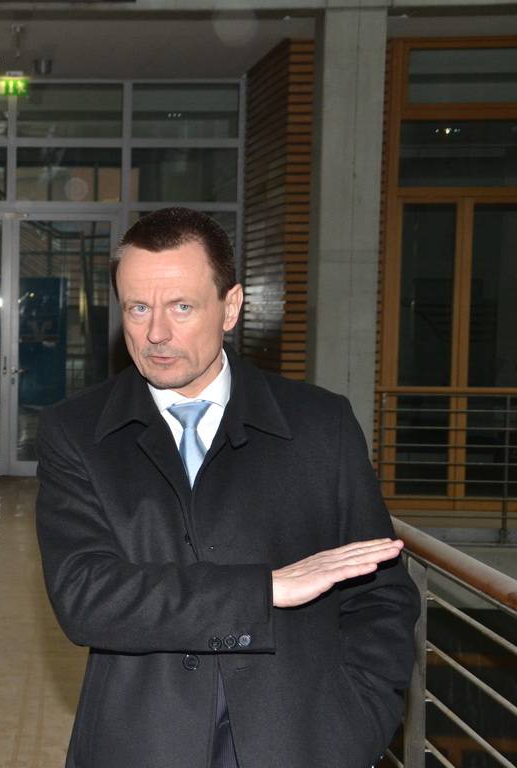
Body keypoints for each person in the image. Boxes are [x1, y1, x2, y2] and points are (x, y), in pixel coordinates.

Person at [35, 208, 419, 768]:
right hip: (138, 743)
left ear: (231, 306)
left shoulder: (320, 425)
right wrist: (264, 589)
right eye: (138, 308)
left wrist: (355, 726)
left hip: (298, 743)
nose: (156, 333)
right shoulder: (76, 431)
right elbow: (85, 598)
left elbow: (380, 596)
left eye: (181, 307)